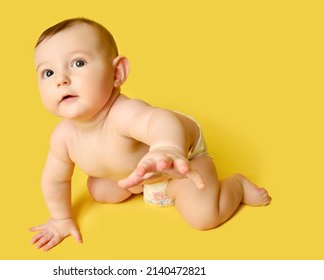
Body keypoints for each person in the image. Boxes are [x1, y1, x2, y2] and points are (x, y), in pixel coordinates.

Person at [29, 18, 271, 251]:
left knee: (204, 216)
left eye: (78, 63)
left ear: (117, 73)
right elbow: (55, 181)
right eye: (47, 73)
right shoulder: (63, 137)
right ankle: (144, 187)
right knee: (99, 190)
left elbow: (160, 119)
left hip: (182, 159)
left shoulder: (123, 113)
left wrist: (167, 148)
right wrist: (60, 219)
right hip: (139, 173)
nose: (61, 79)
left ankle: (236, 186)